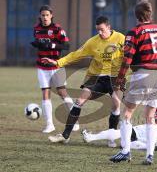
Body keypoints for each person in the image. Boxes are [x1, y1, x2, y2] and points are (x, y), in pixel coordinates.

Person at [110, 0, 157, 165]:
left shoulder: (135, 32)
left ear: (136, 16)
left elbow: (127, 58)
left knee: (128, 114)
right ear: (150, 14)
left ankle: (125, 151)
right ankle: (149, 155)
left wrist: (120, 79)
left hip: (142, 75)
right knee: (150, 117)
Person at [41, 16, 125, 147]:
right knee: (79, 100)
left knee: (116, 103)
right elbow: (76, 54)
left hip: (116, 77)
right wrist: (58, 62)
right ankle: (65, 135)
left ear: (109, 27)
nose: (99, 33)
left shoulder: (121, 38)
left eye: (102, 30)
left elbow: (131, 54)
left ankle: (111, 137)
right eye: (97, 30)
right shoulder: (92, 42)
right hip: (96, 77)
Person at [30, 5, 79, 133]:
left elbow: (67, 46)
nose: (45, 17)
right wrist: (37, 44)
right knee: (45, 94)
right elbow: (38, 43)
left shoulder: (57, 29)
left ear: (51, 15)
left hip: (56, 65)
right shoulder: (36, 29)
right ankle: (49, 125)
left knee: (62, 93)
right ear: (40, 16)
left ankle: (75, 121)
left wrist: (50, 45)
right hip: (42, 66)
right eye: (43, 15)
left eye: (47, 15)